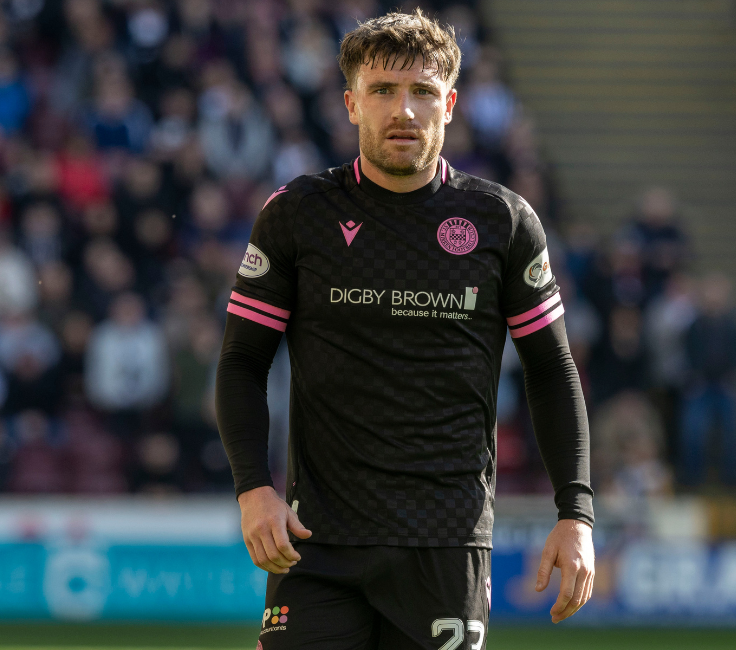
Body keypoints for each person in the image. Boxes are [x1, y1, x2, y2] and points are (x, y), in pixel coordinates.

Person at [215, 11, 594, 649]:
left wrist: (575, 512)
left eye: (422, 91)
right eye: (383, 91)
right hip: (318, 544)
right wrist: (254, 489)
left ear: (449, 103)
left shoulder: (501, 221)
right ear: (351, 104)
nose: (404, 110)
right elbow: (241, 364)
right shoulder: (298, 214)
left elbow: (552, 371)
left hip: (445, 542)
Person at [680, 272, 736, 487]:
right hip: (701, 384)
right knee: (693, 431)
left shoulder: (735, 325)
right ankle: (692, 477)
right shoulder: (694, 326)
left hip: (726, 384)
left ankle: (733, 477)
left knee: (734, 431)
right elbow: (687, 352)